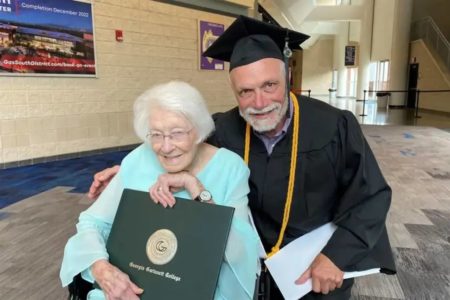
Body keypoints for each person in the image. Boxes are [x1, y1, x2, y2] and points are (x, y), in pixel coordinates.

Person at [88, 16, 396, 299]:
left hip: (317, 269)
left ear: (287, 78)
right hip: (247, 267)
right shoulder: (223, 128)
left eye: (269, 86)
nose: (259, 103)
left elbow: (371, 196)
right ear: (233, 90)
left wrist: (337, 256)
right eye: (245, 91)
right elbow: (179, 146)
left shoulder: (334, 126)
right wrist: (128, 169)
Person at [60, 81, 260, 300]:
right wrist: (102, 270)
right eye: (156, 134)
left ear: (200, 132)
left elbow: (240, 253)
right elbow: (92, 223)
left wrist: (194, 186)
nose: (165, 147)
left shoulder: (230, 168)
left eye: (177, 133)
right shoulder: (138, 159)